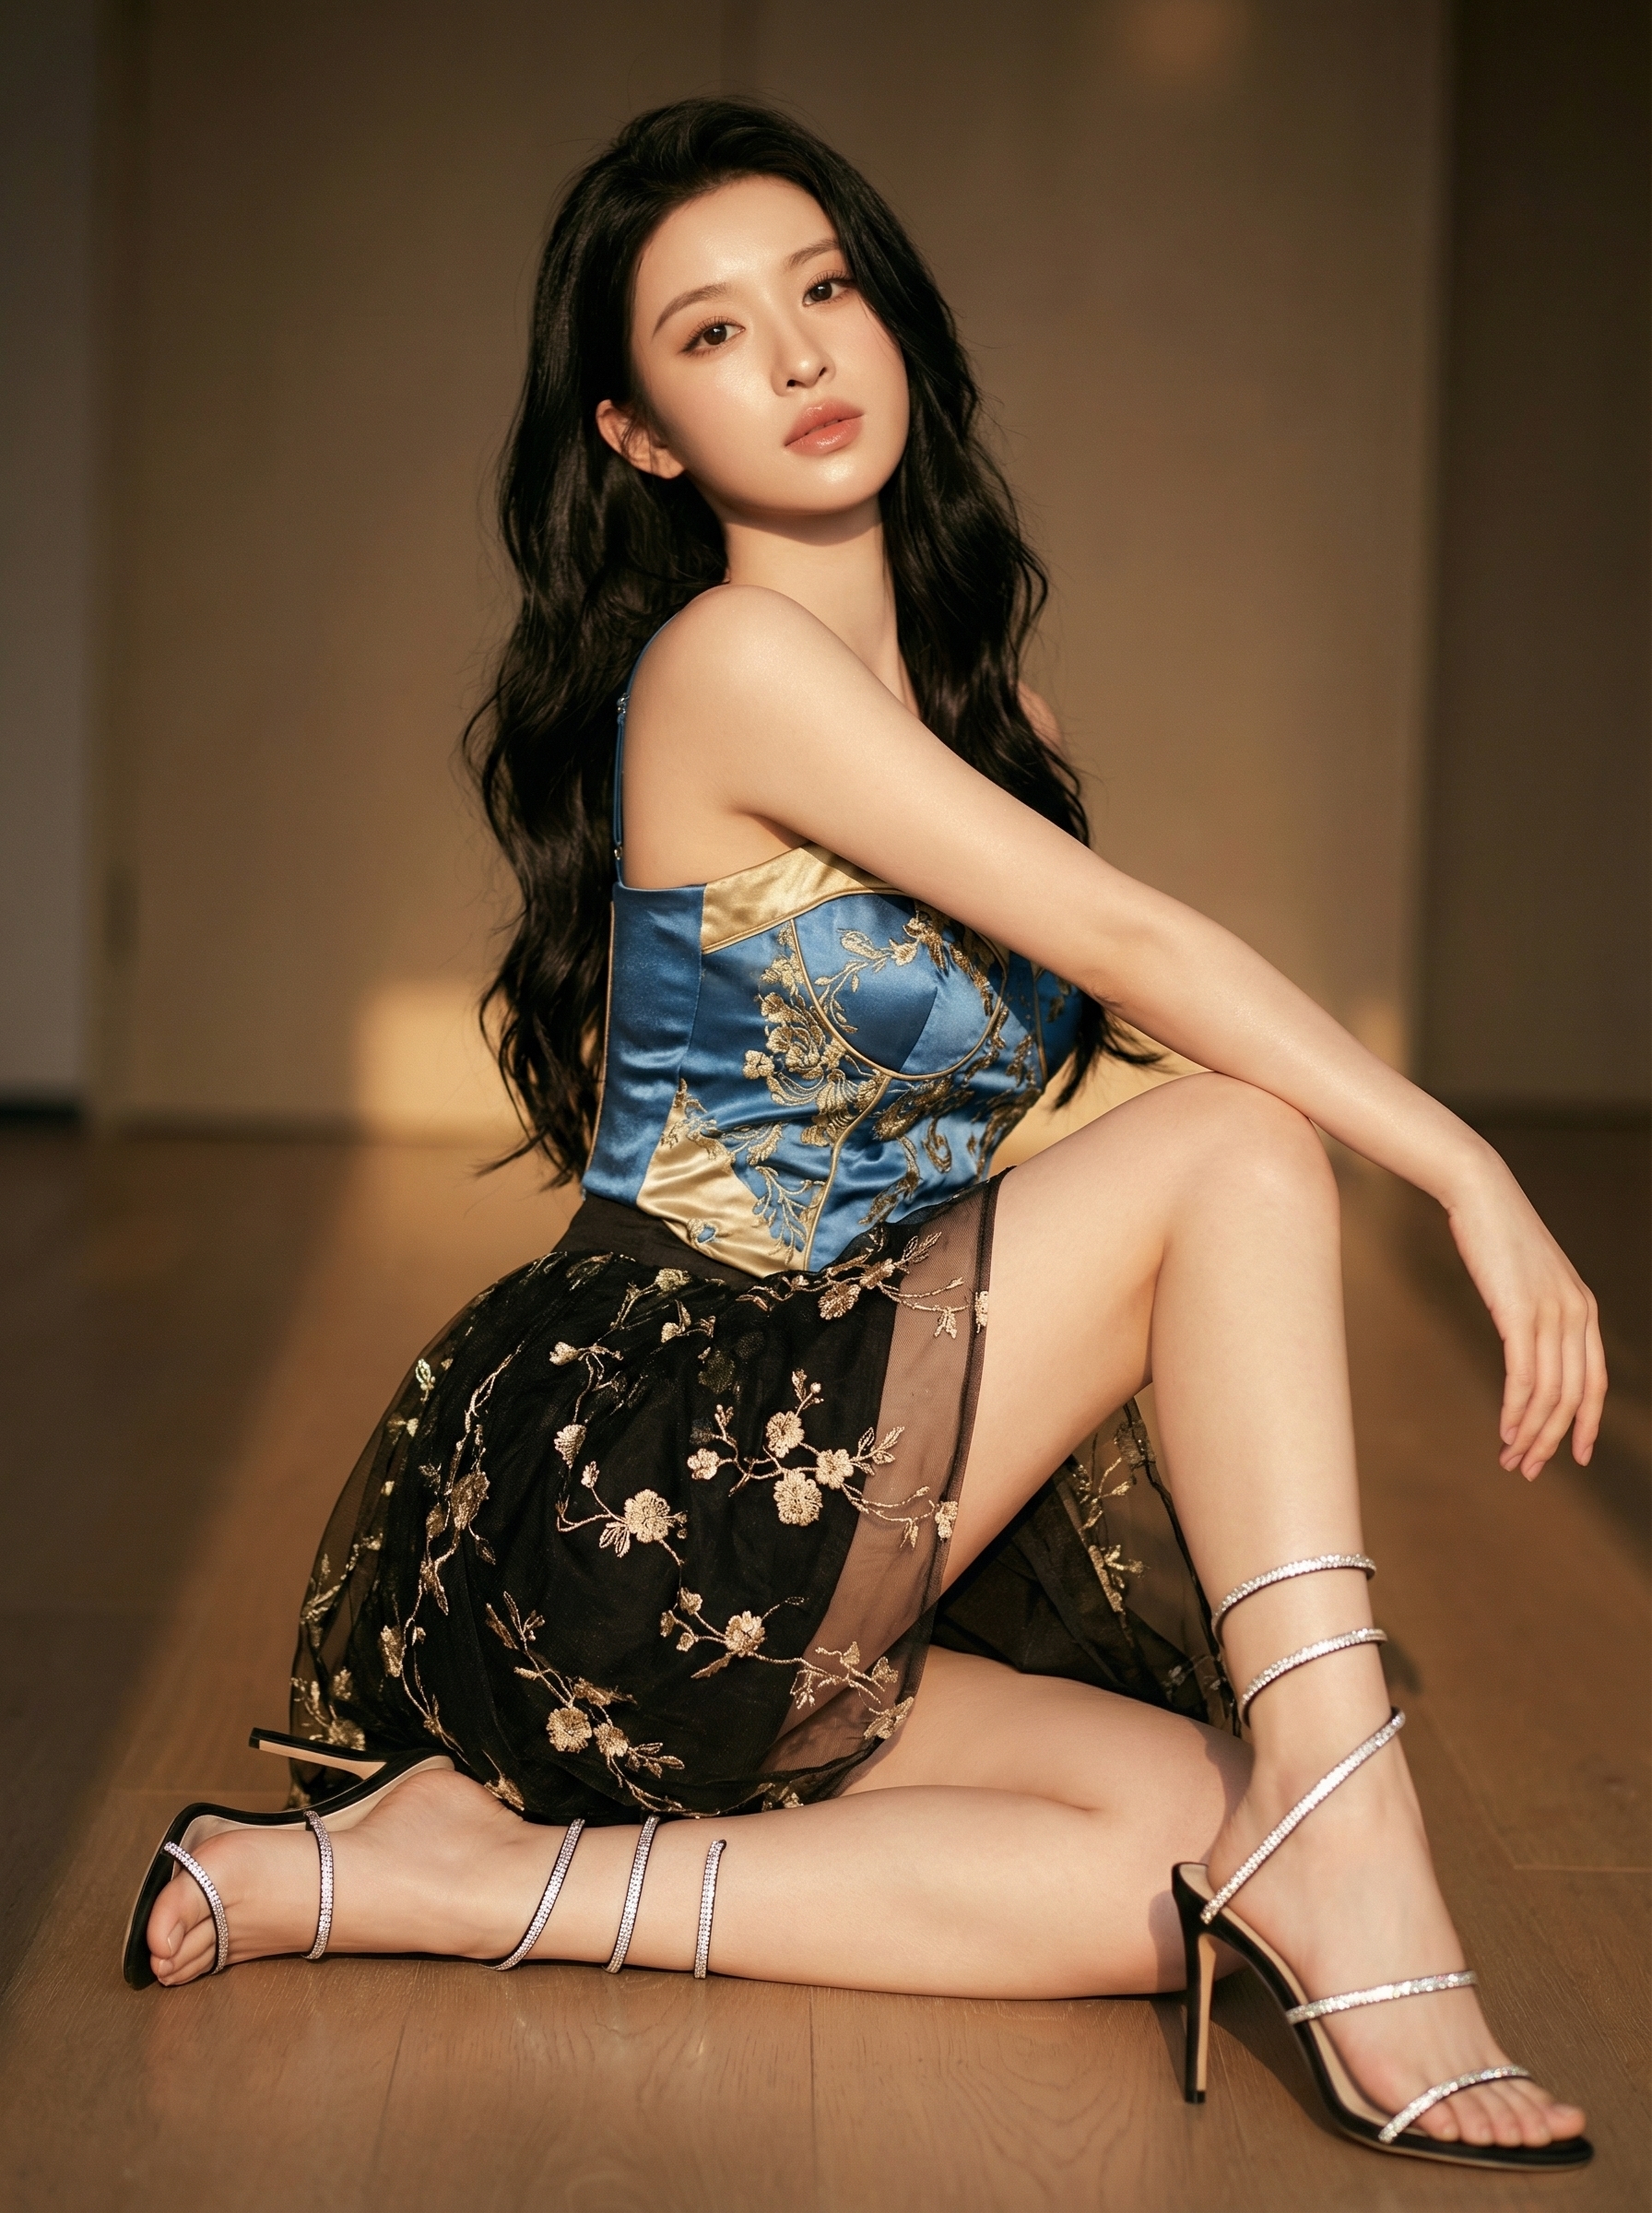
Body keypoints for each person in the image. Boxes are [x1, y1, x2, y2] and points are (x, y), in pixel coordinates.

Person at [124, 100, 1599, 2171]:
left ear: (888, 313)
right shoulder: (726, 662)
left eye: (821, 290)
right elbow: (1122, 945)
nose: (802, 355)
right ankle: (1372, 1865)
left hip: (804, 1463)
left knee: (1190, 1855)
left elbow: (986, 1122)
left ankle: (420, 1879)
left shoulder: (996, 728)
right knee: (1242, 1141)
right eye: (713, 334)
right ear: (637, 432)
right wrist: (1466, 1167)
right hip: (649, 1459)